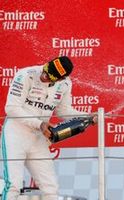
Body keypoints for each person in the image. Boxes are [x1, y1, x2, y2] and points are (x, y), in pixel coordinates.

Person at [1, 56, 97, 199]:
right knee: (14, 185)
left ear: (60, 79)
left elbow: (63, 111)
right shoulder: (26, 75)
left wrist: (87, 117)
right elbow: (11, 108)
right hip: (16, 134)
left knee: (50, 188)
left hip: (38, 138)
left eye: (49, 77)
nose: (43, 76)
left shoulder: (65, 84)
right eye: (45, 71)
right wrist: (39, 123)